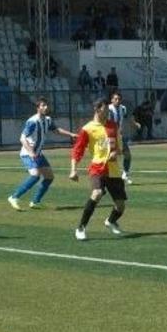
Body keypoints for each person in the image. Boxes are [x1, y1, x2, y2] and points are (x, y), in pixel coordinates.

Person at [70, 98, 128, 241]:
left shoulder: (113, 126)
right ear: (97, 110)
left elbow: (120, 148)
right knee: (97, 193)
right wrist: (73, 170)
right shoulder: (88, 128)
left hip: (114, 170)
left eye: (108, 110)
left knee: (120, 206)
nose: (108, 112)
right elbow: (77, 150)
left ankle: (110, 221)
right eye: (105, 110)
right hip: (98, 167)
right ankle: (81, 228)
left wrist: (117, 152)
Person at [7, 98, 76, 210]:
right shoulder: (32, 121)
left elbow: (56, 130)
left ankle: (35, 202)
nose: (46, 107)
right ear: (38, 108)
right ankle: (14, 197)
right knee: (35, 175)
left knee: (49, 177)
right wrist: (31, 152)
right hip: (27, 153)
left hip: (38, 153)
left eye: (46, 105)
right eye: (43, 105)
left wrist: (71, 134)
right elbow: (22, 138)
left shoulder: (48, 120)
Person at [109, 91, 140, 185]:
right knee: (110, 157)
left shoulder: (123, 108)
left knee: (127, 155)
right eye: (115, 99)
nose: (117, 101)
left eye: (119, 99)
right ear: (112, 100)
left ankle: (125, 175)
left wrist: (135, 124)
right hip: (109, 136)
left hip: (119, 136)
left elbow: (128, 117)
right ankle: (109, 177)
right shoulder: (108, 109)